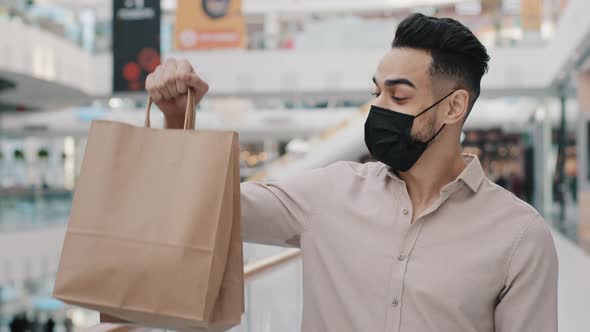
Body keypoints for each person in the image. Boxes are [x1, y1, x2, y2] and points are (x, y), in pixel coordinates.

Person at [146, 13, 558, 332]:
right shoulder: (328, 193)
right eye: (376, 92)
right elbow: (208, 207)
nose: (379, 108)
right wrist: (178, 120)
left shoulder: (519, 236)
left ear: (453, 107)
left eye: (397, 96)